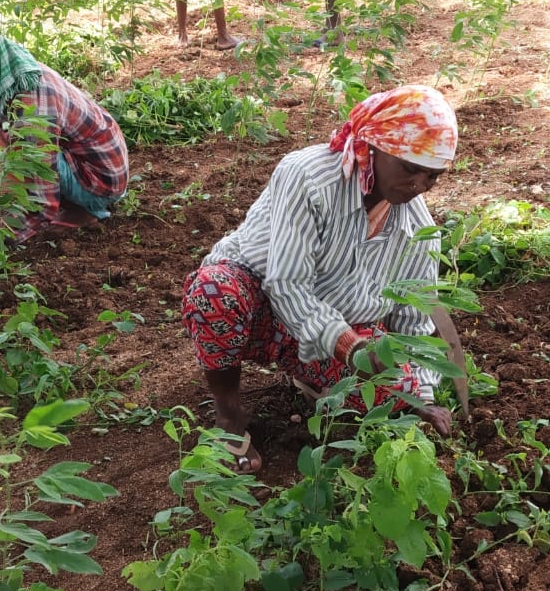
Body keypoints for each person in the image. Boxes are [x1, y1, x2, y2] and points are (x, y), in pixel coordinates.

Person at [181, 85, 458, 473]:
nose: (418, 186)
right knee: (215, 292)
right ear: (373, 147)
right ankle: (228, 418)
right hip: (260, 308)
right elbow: (287, 285)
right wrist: (352, 348)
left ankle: (313, 378)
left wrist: (420, 395)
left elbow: (412, 321)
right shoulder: (309, 178)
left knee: (395, 388)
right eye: (410, 168)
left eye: (432, 178)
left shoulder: (416, 227)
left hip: (332, 335)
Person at [0, 30, 129, 245]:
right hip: (92, 166)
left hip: (99, 181)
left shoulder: (33, 106)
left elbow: (42, 196)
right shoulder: (13, 76)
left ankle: (81, 210)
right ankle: (73, 208)